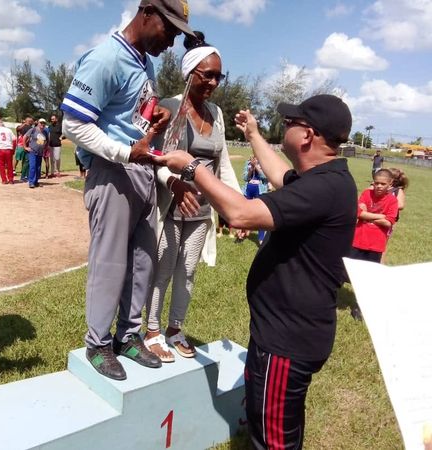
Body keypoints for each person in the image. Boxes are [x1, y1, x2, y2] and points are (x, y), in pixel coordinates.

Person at [154, 94, 356, 448]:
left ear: (307, 135)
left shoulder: (324, 188)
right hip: (283, 333)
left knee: (274, 441)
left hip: (287, 342)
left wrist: (193, 168)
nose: (286, 126)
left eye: (292, 122)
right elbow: (280, 176)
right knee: (279, 426)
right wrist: (253, 134)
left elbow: (241, 214)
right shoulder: (324, 178)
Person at [61, 0, 194, 380]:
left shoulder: (143, 62)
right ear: (147, 12)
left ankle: (128, 335)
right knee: (109, 262)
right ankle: (98, 343)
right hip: (113, 170)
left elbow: (128, 116)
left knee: (142, 261)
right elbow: (73, 124)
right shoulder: (106, 58)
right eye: (168, 30)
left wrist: (154, 116)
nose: (170, 41)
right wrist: (125, 150)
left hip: (141, 172)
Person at [144, 32, 241, 363]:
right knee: (163, 269)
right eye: (207, 74)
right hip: (172, 206)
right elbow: (156, 160)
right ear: (190, 74)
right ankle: (153, 331)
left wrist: (234, 206)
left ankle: (175, 329)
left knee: (187, 272)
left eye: (218, 76)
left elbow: (222, 162)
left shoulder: (216, 113)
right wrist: (174, 184)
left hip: (201, 212)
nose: (214, 82)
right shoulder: (169, 108)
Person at [349, 169, 398, 264]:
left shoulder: (392, 201)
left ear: (390, 185)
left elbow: (388, 223)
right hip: (357, 241)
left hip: (376, 245)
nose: (379, 186)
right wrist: (382, 216)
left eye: (383, 184)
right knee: (350, 273)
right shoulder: (366, 193)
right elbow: (358, 213)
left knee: (369, 275)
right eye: (377, 183)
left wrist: (366, 216)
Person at [241, 155, 268, 244]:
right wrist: (251, 168)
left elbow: (265, 177)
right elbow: (245, 178)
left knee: (260, 215)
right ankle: (243, 232)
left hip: (260, 190)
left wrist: (256, 166)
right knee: (245, 213)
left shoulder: (264, 162)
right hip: (248, 190)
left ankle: (261, 239)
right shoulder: (248, 162)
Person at [24, 118, 49, 188]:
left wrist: (45, 148)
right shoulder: (33, 130)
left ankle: (36, 181)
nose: (42, 124)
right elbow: (25, 137)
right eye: (41, 123)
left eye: (44, 123)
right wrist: (25, 147)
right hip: (32, 151)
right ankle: (31, 182)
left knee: (38, 168)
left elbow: (47, 141)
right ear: (38, 123)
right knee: (32, 167)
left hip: (40, 152)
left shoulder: (45, 132)